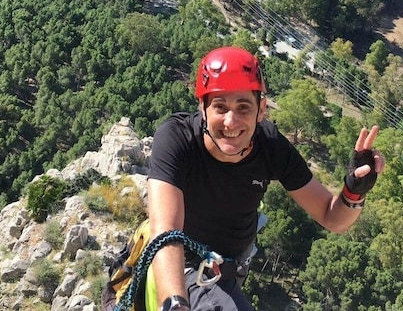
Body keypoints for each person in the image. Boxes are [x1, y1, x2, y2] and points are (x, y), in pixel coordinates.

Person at [146, 46, 385, 311]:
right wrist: (175, 303)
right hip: (182, 262)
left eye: (243, 107)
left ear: (261, 110)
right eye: (220, 106)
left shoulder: (270, 148)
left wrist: (354, 191)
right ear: (203, 109)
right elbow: (166, 232)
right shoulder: (177, 139)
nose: (231, 121)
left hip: (229, 269)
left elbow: (332, 218)